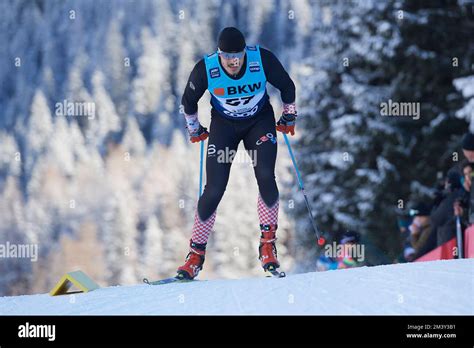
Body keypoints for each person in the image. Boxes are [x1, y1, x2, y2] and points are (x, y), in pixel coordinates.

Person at [177, 27, 297, 279]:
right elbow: (188, 101)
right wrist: (194, 128)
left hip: (259, 124)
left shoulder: (260, 59)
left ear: (245, 52)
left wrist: (289, 114)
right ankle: (195, 256)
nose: (233, 61)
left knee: (265, 175)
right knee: (214, 188)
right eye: (227, 56)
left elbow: (287, 86)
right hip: (224, 127)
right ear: (219, 54)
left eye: (238, 55)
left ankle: (267, 245)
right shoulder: (206, 68)